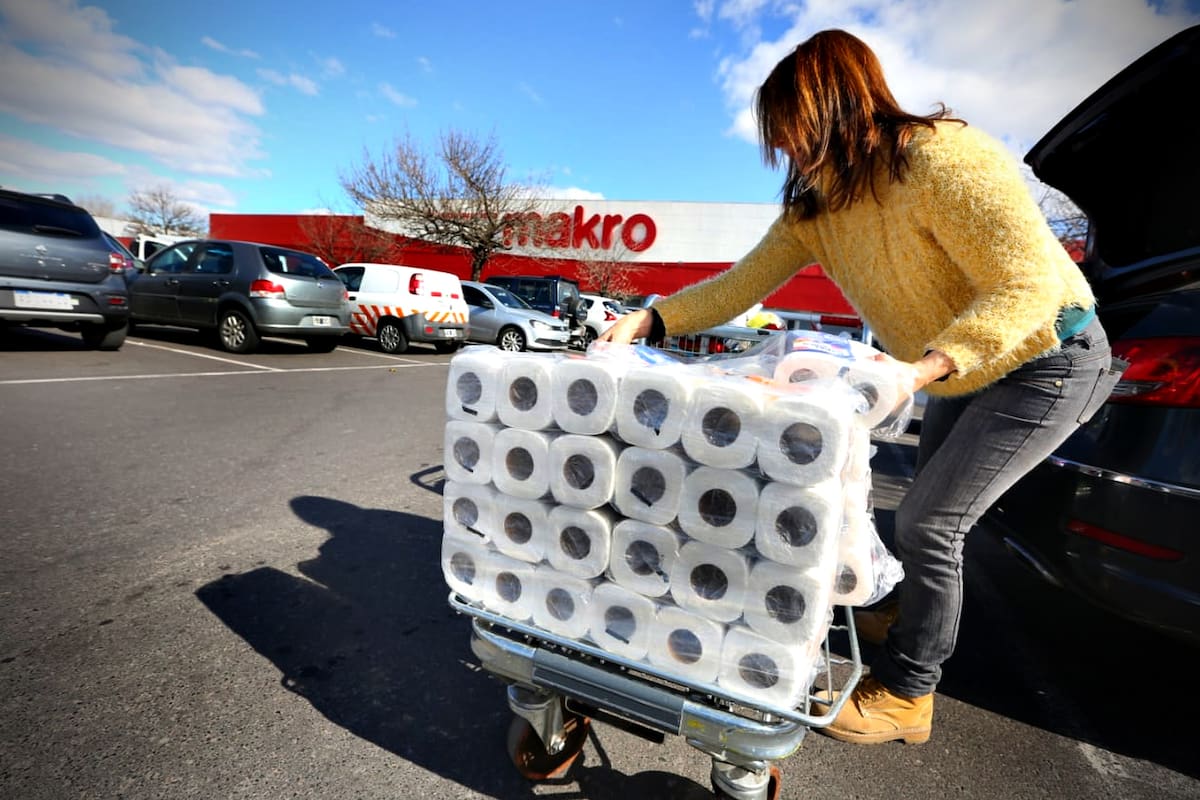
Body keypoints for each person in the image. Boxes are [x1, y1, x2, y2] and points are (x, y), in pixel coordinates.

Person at [598, 29, 1120, 745]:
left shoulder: (945, 160)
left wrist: (923, 368)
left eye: (791, 128)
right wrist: (653, 318)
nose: (784, 148)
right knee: (909, 525)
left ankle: (910, 693)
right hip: (961, 370)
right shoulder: (817, 208)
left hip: (1048, 358)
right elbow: (739, 285)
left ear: (835, 105)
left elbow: (1028, 285)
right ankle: (904, 610)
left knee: (931, 523)